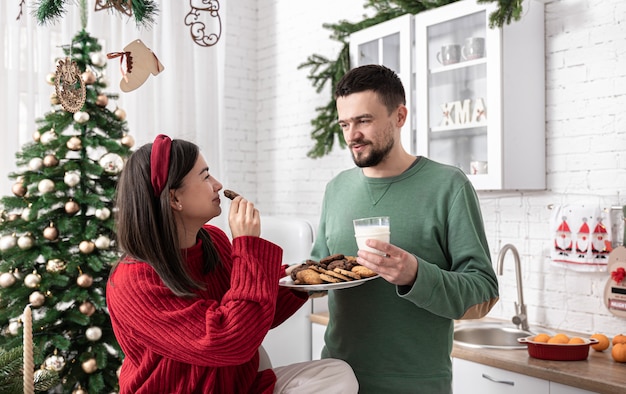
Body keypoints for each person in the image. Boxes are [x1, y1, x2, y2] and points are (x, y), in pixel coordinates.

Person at [106, 134, 358, 393]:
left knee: (337, 374)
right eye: (205, 176)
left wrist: (298, 280)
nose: (217, 185)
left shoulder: (213, 242)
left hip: (235, 385)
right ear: (174, 199)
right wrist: (247, 244)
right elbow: (231, 340)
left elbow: (250, 314)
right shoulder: (133, 282)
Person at [310, 65, 499, 393]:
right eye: (345, 123)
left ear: (399, 116)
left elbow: (483, 293)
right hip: (338, 380)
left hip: (417, 384)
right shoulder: (336, 189)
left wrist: (416, 275)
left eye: (364, 121)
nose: (352, 135)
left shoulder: (448, 186)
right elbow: (319, 273)